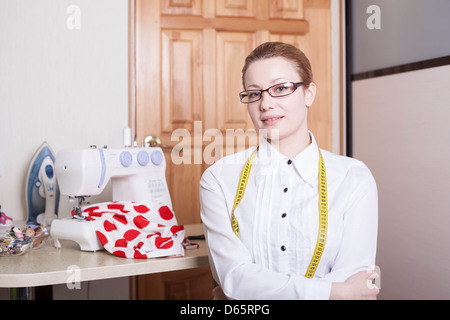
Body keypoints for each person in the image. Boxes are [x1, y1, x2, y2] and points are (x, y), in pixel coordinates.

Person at [199, 42, 379, 300]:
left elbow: (353, 282)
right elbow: (236, 278)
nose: (265, 104)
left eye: (281, 88)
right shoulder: (218, 180)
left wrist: (249, 293)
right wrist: (334, 293)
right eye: (254, 94)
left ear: (309, 93)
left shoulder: (354, 178)